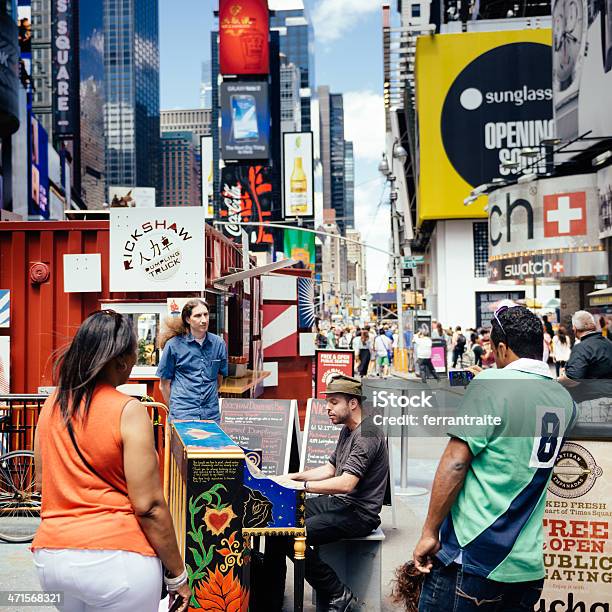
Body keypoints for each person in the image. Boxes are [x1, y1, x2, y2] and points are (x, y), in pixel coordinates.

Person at [413, 304, 575, 611]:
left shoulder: (491, 385)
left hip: (473, 555)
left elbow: (456, 462)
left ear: (501, 348)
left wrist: (428, 532)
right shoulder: (563, 399)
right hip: (526, 565)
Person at [32, 310, 190, 612]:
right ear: (122, 360)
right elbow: (149, 507)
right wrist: (177, 575)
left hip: (52, 558)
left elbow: (42, 482)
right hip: (117, 559)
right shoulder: (129, 411)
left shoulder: (52, 405)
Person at [263, 375, 389, 611]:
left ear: (352, 403)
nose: (327, 408)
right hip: (338, 504)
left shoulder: (367, 435)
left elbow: (346, 484)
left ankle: (337, 593)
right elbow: (331, 468)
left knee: (291, 535)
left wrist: (301, 487)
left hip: (359, 514)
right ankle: (270, 601)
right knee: (275, 522)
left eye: (333, 402)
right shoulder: (350, 428)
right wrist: (292, 477)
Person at [157, 299, 228, 422]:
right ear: (188, 319)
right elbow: (164, 385)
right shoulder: (173, 345)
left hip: (210, 414)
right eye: (198, 315)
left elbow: (219, 379)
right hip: (182, 415)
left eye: (206, 314)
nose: (204, 320)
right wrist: (175, 410)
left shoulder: (218, 344)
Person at [559, 311, 612, 420]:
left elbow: (573, 379)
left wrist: (560, 379)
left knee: (593, 437)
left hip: (594, 404)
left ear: (574, 328)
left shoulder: (582, 348)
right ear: (593, 326)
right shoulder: (608, 343)